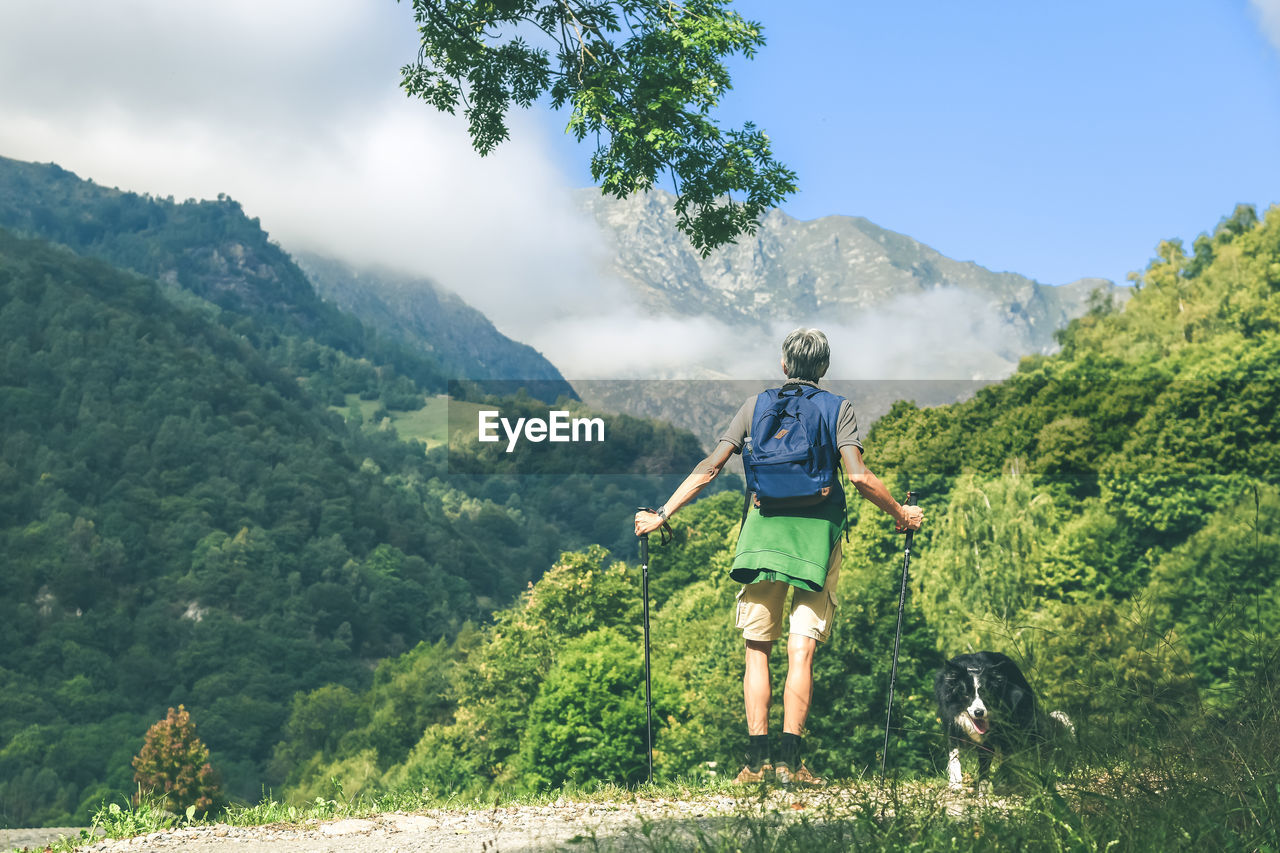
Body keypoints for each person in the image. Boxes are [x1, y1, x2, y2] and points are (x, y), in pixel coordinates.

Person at [634, 328, 924, 786]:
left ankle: (755, 764)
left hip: (761, 536)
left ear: (784, 365)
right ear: (823, 368)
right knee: (800, 652)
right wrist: (901, 513)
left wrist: (662, 514)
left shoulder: (754, 406)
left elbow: (710, 468)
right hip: (817, 540)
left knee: (756, 653)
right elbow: (860, 478)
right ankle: (791, 764)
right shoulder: (838, 408)